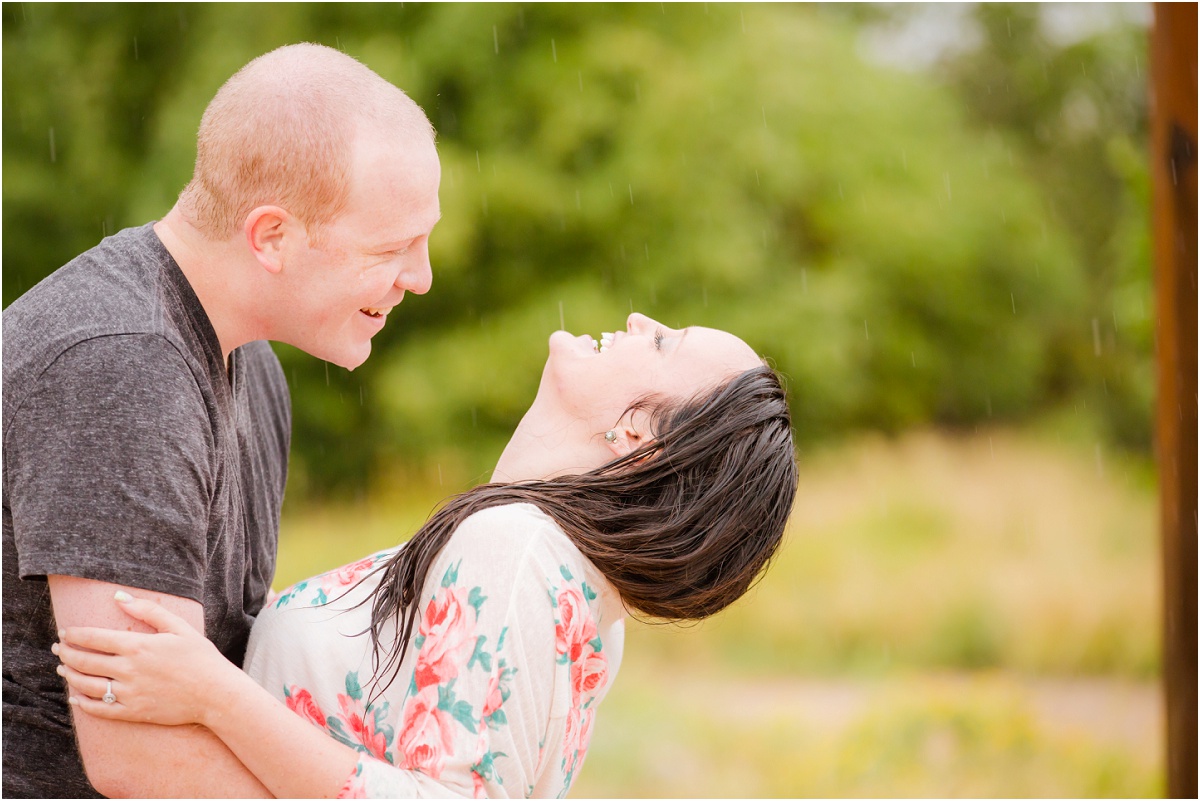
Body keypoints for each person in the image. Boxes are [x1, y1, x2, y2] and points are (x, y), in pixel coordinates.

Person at [55, 313, 799, 798]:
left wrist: (212, 693)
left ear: (639, 434)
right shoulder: (572, 585)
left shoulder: (515, 550)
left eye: (665, 342)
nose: (641, 321)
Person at [2, 43, 440, 798]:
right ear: (271, 235)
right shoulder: (122, 364)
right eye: (394, 247)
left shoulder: (253, 365)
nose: (422, 278)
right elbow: (138, 756)